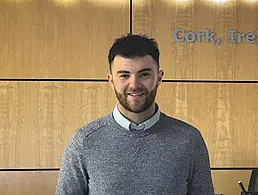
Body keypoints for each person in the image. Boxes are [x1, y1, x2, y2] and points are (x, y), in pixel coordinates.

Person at [55, 33, 215, 195]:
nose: (134, 85)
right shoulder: (84, 141)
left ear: (159, 78)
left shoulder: (189, 139)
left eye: (144, 74)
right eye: (124, 75)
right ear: (111, 80)